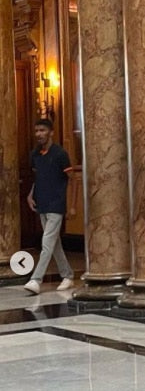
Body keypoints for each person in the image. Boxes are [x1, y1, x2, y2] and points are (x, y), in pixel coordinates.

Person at [24, 118, 77, 295]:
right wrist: (31, 194)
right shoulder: (35, 155)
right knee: (54, 244)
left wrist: (72, 205)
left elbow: (73, 180)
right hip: (42, 203)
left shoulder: (60, 154)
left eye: (42, 130)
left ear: (51, 132)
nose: (39, 134)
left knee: (47, 242)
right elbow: (38, 178)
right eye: (37, 131)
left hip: (56, 204)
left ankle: (36, 279)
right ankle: (67, 275)